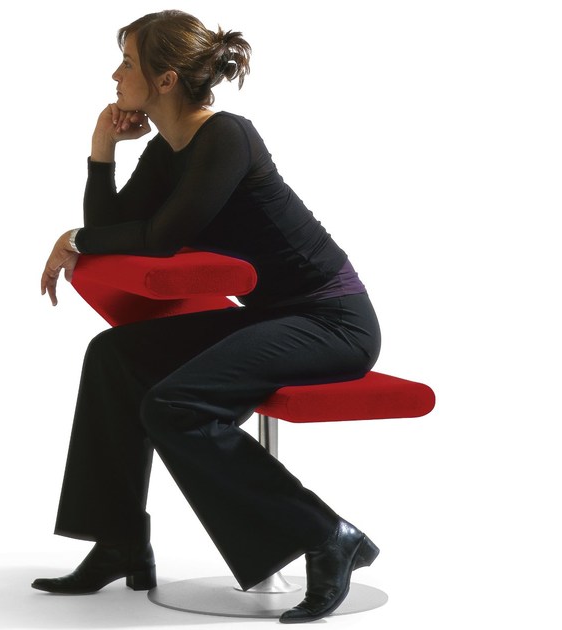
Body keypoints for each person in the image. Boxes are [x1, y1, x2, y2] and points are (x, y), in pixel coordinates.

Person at [36, 10, 382, 623]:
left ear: (165, 80)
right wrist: (101, 151)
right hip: (272, 317)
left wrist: (77, 241)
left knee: (174, 405)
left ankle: (327, 535)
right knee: (115, 355)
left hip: (332, 323)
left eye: (127, 63)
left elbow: (161, 237)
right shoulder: (168, 151)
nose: (115, 75)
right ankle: (119, 542)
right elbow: (113, 229)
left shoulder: (227, 137)